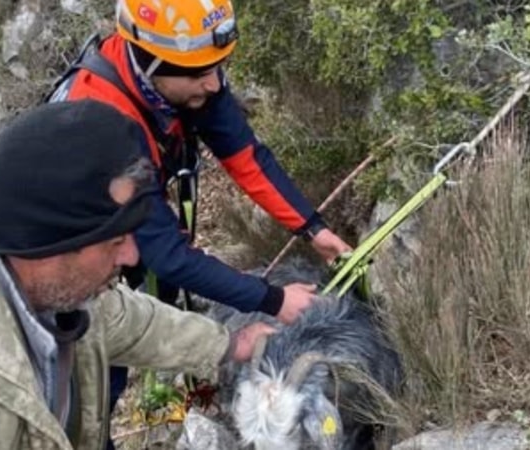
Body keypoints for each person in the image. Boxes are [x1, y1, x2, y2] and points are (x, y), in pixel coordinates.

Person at [0, 100, 274, 450]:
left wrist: (229, 344)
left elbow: (122, 319)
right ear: (46, 247)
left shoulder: (49, 283)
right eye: (114, 241)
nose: (134, 253)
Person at [47, 0, 353, 430]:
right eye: (198, 73)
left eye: (218, 66)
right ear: (149, 61)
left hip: (119, 238)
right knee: (88, 390)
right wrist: (274, 300)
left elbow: (246, 156)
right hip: (62, 275)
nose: (213, 84)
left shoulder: (182, 77)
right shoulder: (102, 122)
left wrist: (312, 227)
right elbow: (167, 256)